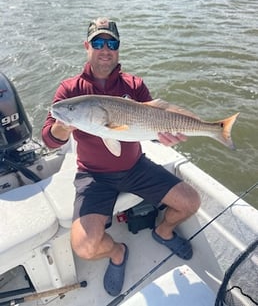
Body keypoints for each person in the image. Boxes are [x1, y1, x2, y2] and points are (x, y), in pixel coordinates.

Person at [42, 17, 201, 297]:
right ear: (87, 46)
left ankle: (163, 231)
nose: (105, 48)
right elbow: (49, 139)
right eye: (98, 42)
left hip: (136, 167)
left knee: (191, 201)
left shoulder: (134, 85)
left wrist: (160, 135)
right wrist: (61, 126)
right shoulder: (69, 92)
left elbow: (151, 124)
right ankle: (117, 252)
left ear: (118, 48)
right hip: (94, 176)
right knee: (85, 246)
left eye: (111, 43)